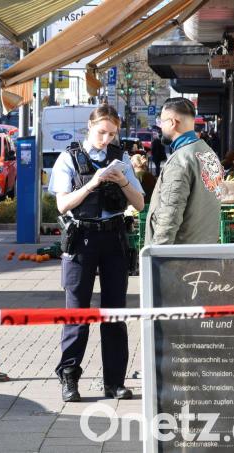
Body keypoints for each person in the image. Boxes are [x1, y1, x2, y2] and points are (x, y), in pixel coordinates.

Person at [48, 104, 145, 403]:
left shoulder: (121, 158)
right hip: (82, 238)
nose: (106, 139)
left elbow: (139, 203)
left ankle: (114, 382)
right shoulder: (69, 158)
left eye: (112, 134)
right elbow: (63, 205)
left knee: (114, 313)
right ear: (89, 128)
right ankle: (69, 378)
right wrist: (92, 184)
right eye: (102, 132)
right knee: (77, 313)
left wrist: (123, 181)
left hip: (114, 237)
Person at [146, 98, 223, 245]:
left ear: (173, 123)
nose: (160, 126)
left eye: (161, 121)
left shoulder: (180, 161)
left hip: (179, 257)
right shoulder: (208, 153)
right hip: (204, 249)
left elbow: (169, 216)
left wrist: (156, 256)